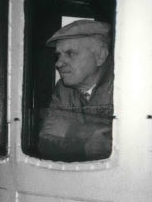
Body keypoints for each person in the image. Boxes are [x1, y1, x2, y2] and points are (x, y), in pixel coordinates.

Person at [37, 20, 114, 161]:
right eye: (58, 55)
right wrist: (84, 147)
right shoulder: (63, 89)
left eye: (70, 53)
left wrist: (71, 130)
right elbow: (45, 143)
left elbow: (130, 143)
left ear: (100, 56)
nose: (58, 63)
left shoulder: (126, 87)